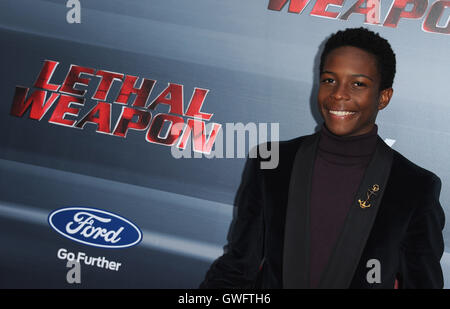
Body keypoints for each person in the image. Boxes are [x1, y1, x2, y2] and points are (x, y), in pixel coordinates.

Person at [199, 27, 446, 289]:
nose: (339, 94)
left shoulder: (414, 187)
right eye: (329, 80)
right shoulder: (270, 163)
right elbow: (237, 269)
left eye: (358, 84)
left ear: (383, 97)